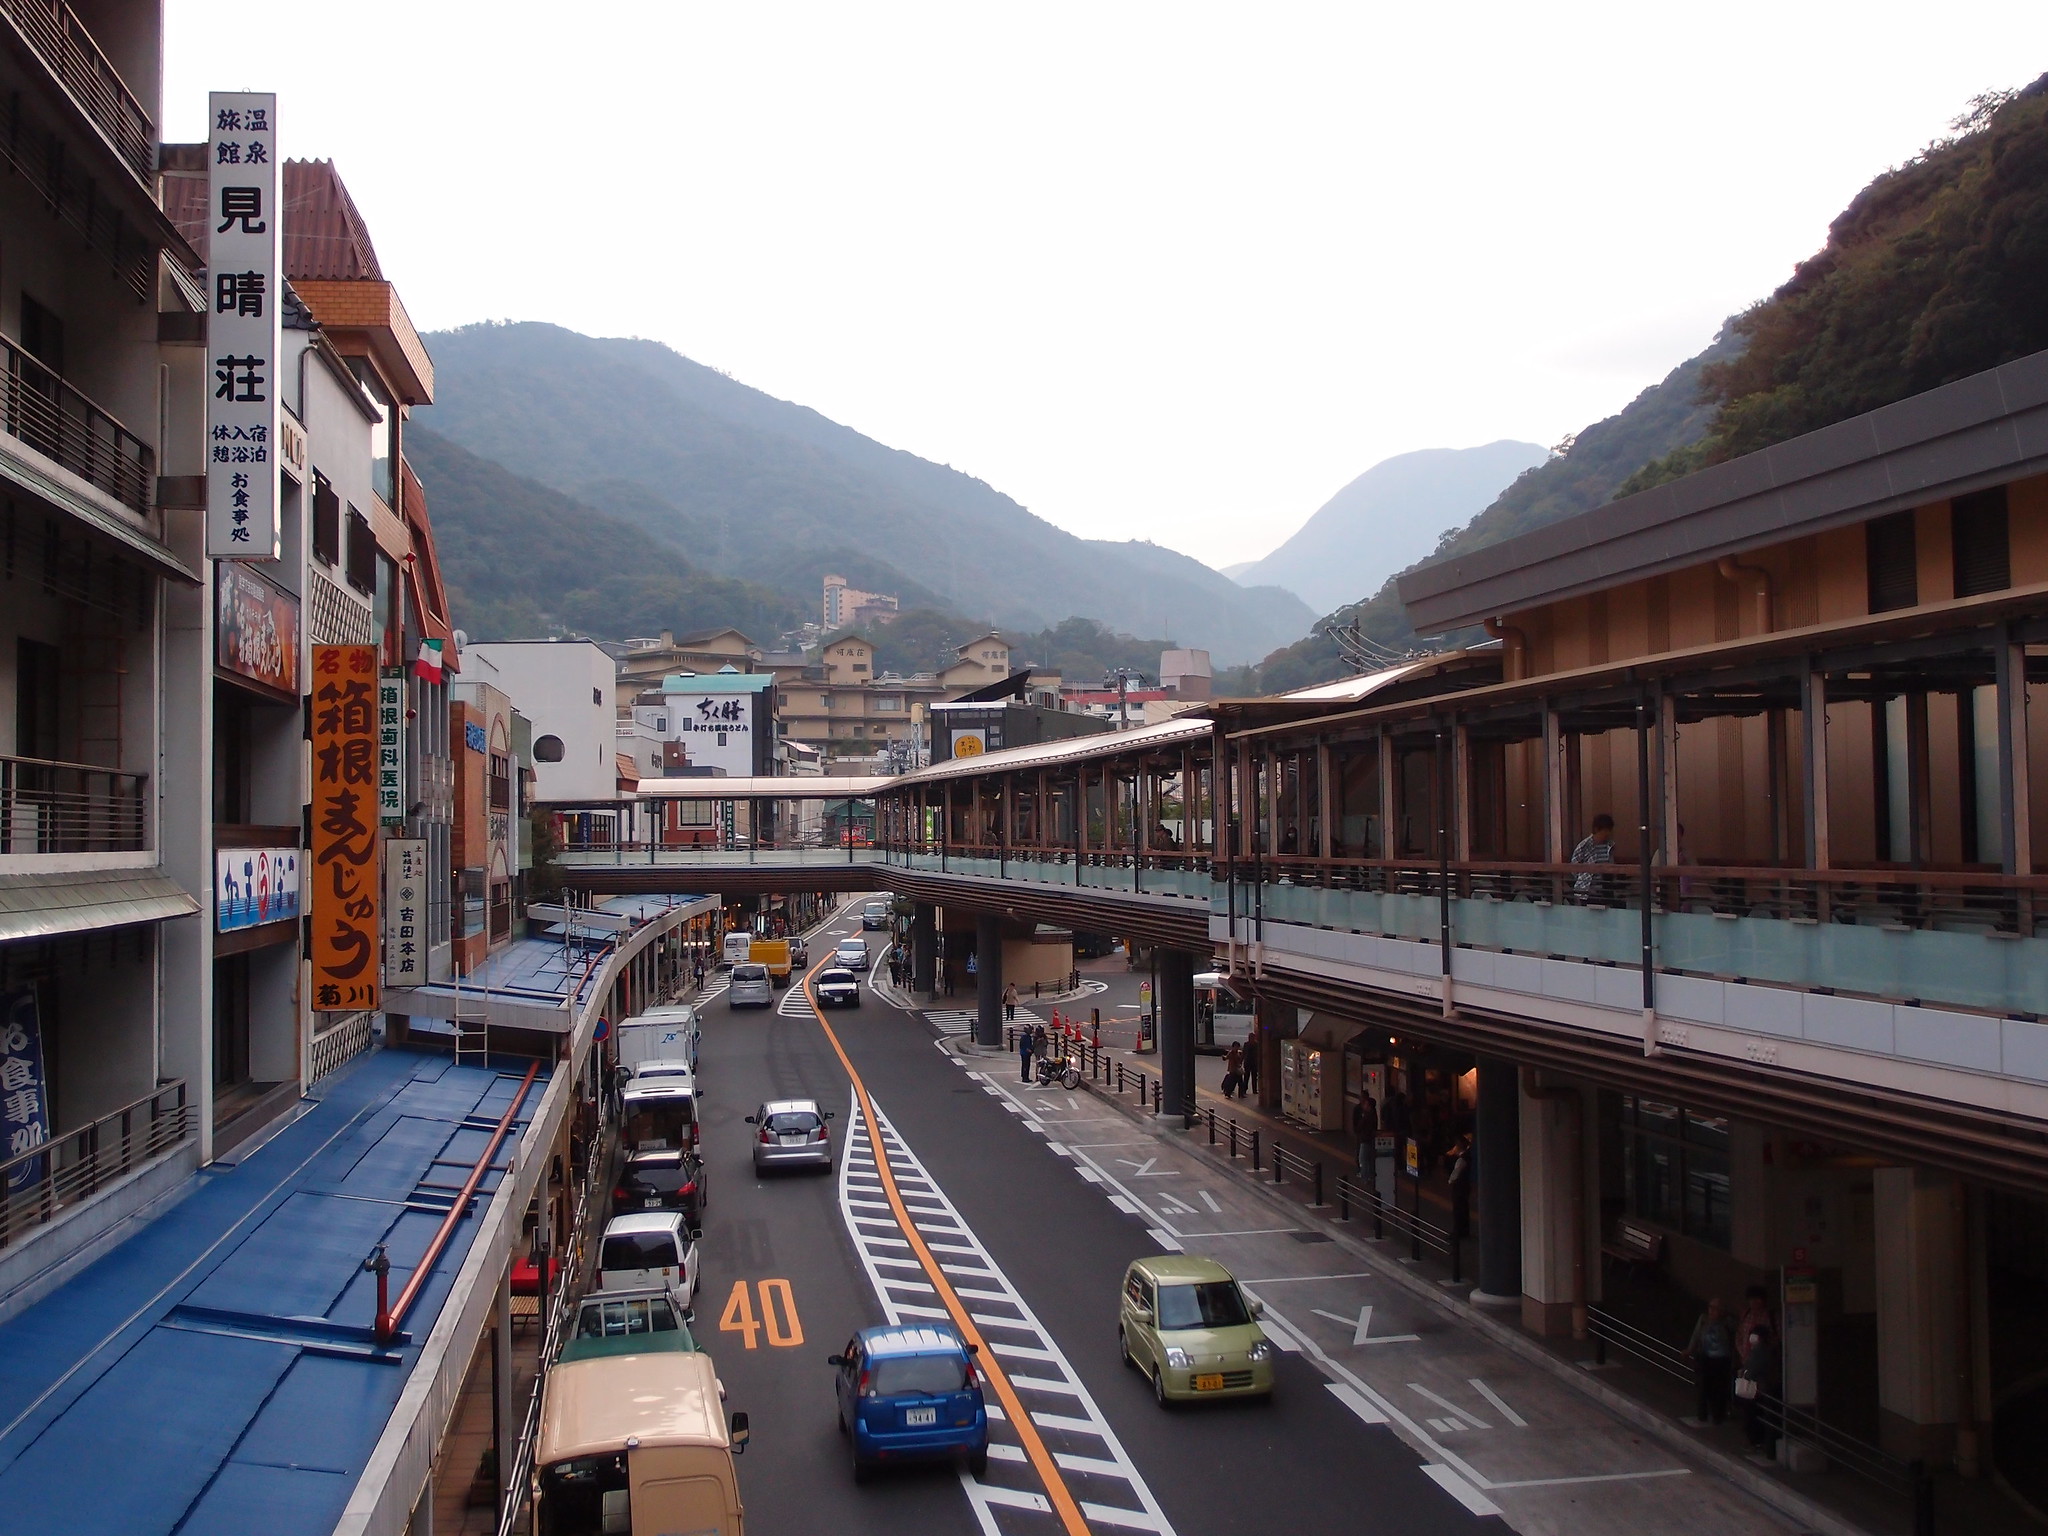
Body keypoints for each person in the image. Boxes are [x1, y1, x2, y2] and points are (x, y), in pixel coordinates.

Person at [1685, 1298, 1736, 1425]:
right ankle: (1702, 1413)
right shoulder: (1703, 1320)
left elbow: (1735, 1337)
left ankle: (1718, 1414)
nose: (1713, 1311)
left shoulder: (1727, 1322)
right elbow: (1696, 1335)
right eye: (1711, 1308)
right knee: (1704, 1384)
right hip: (1705, 1356)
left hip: (1722, 1359)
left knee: (1719, 1387)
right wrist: (1690, 1349)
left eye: (1716, 1309)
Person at [1739, 1316, 1782, 1460]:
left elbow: (1752, 1369)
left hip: (1760, 1390)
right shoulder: (1769, 1350)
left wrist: (1745, 1373)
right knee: (1767, 1419)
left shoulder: (1760, 1351)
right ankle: (1764, 1446)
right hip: (1767, 1389)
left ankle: (1759, 1445)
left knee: (1755, 1418)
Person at [1571, 813, 1616, 900]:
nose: (1608, 833)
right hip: (1587, 890)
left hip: (1605, 888)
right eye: (1605, 830)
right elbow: (1573, 867)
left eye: (1609, 830)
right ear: (1597, 829)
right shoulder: (1584, 845)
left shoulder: (1610, 845)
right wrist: (1584, 878)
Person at [1446, 1134, 1473, 1238]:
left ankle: (1458, 1231)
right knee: (1464, 1208)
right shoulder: (1467, 1156)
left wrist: (1450, 1181)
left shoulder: (1461, 1159)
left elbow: (1455, 1173)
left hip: (1459, 1187)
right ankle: (1465, 1231)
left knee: (1458, 1209)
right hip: (1466, 1186)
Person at [1352, 1092, 1380, 1177]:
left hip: (1365, 1137)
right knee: (1365, 1156)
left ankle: (1365, 1174)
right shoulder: (1358, 1109)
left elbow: (1361, 1125)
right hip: (1365, 1136)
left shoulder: (1368, 1113)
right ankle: (1366, 1172)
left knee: (1363, 1157)